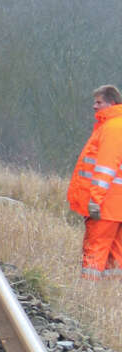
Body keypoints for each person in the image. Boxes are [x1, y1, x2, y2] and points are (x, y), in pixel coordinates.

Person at [67, 84, 122, 280]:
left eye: (99, 102)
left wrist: (94, 200)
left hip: (106, 206)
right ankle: (110, 299)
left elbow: (105, 168)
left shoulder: (112, 128)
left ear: (111, 103)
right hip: (117, 208)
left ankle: (87, 297)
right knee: (115, 260)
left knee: (94, 252)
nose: (94, 106)